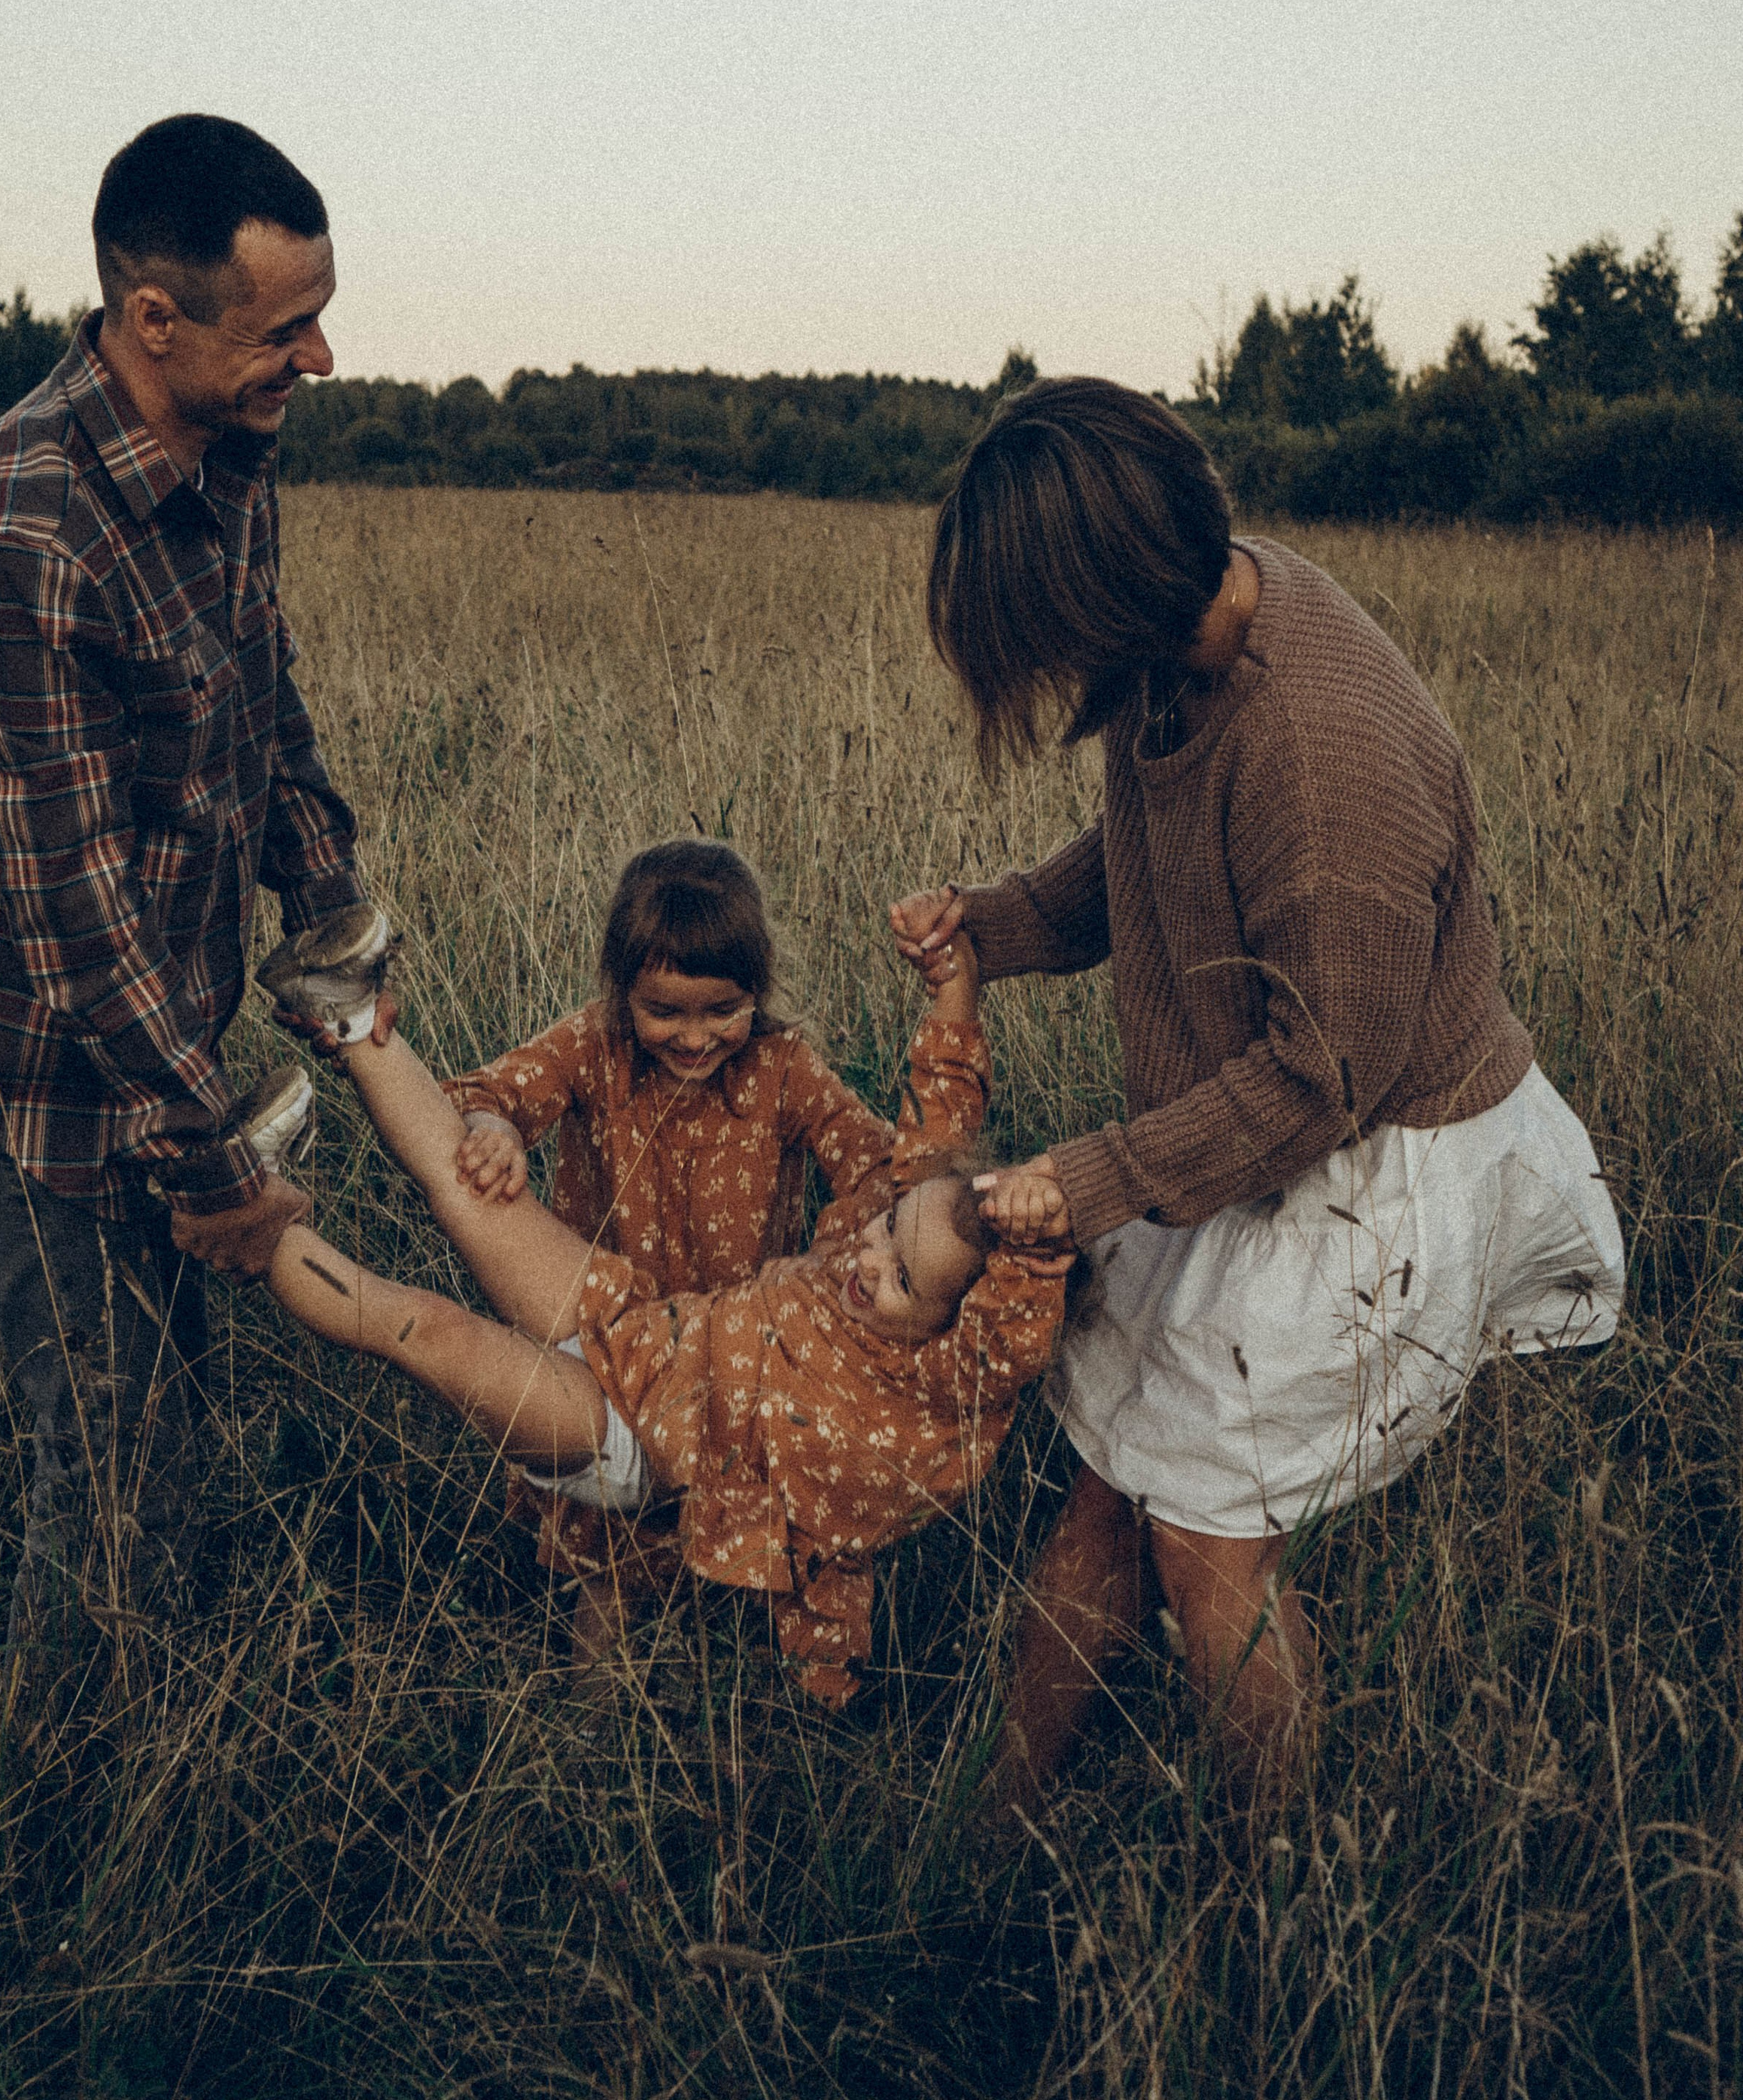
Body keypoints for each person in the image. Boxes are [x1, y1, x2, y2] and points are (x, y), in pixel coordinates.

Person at [889, 375, 1623, 1800]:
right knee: (1112, 1481)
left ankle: (1265, 1900)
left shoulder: (1320, 748)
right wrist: (996, 923)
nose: (1036, 682)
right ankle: (990, 1818)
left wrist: (1087, 1181)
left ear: (1103, 603)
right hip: (1239, 1133)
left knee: (1206, 1536)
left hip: (1365, 1166)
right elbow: (1147, 861)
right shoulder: (1192, 637)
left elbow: (1323, 1078)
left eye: (1037, 643)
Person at [0, 114, 367, 1682]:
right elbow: (70, 914)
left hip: (155, 1044)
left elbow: (258, 706)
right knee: (102, 1459)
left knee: (175, 1414)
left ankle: (161, 1722)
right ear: (156, 319)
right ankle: (42, 1828)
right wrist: (213, 1160)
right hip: (29, 1075)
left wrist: (333, 912)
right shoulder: (19, 537)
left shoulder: (231, 454)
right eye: (285, 327)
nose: (324, 355)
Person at [252, 919, 1070, 1704]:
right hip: (640, 1326)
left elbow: (1012, 1335)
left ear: (951, 1329)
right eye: (884, 1233)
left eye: (898, 1279)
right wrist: (953, 988)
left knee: (424, 1331)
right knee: (472, 1195)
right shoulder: (892, 1229)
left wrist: (1036, 1248)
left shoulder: (943, 1376)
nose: (866, 1258)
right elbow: (938, 1133)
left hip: (627, 1439)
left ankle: (250, 1213)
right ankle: (346, 1008)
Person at [440, 838, 899, 1659]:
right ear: (622, 993)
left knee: (752, 1538)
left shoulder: (783, 1068)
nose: (694, 1038)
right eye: (665, 1011)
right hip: (614, 1346)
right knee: (609, 1562)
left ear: (756, 991)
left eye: (721, 1009)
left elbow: (870, 1159)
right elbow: (495, 1091)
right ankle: (595, 1738)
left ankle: (747, 1716)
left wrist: (836, 1253)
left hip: (736, 1358)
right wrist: (493, 1127)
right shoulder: (594, 1048)